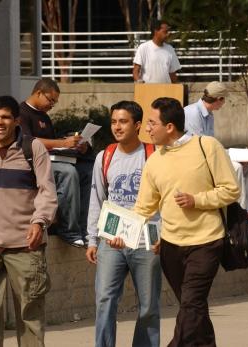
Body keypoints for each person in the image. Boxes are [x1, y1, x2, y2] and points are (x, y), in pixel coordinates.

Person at [134, 97, 240, 347]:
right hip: (170, 246)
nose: (147, 128)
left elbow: (231, 190)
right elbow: (143, 208)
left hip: (206, 241)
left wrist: (197, 200)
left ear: (169, 127)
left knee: (191, 304)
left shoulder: (208, 146)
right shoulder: (154, 161)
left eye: (151, 123)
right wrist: (118, 233)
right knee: (193, 308)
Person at [0, 95, 58, 346]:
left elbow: (47, 192)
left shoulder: (33, 148)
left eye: (5, 117)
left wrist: (39, 222)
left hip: (26, 244)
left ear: (17, 120)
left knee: (30, 313)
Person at [86, 101, 161, 347]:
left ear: (137, 125)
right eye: (114, 121)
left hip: (146, 242)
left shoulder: (154, 155)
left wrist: (162, 235)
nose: (117, 127)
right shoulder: (104, 157)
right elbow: (97, 199)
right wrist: (92, 239)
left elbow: (165, 200)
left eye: (123, 121)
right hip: (111, 241)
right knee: (104, 301)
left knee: (149, 307)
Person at [184, 81, 248, 234]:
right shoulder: (192, 113)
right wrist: (230, 156)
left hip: (207, 154)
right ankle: (239, 212)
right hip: (196, 159)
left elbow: (211, 145)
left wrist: (233, 154)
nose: (223, 104)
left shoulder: (209, 116)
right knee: (237, 167)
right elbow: (200, 146)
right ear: (219, 99)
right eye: (223, 100)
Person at [20, 78, 93, 248]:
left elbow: (51, 143)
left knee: (88, 171)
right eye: (50, 100)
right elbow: (28, 141)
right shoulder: (21, 112)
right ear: (38, 93)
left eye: (55, 102)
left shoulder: (44, 116)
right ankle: (68, 230)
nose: (52, 105)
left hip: (52, 159)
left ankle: (85, 228)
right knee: (68, 172)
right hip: (32, 164)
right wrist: (62, 143)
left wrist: (75, 146)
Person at [133, 19, 181, 83]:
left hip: (166, 91)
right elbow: (136, 71)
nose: (168, 34)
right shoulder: (143, 48)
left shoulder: (170, 49)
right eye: (165, 32)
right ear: (156, 31)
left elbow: (172, 74)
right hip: (148, 90)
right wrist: (139, 81)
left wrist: (180, 88)